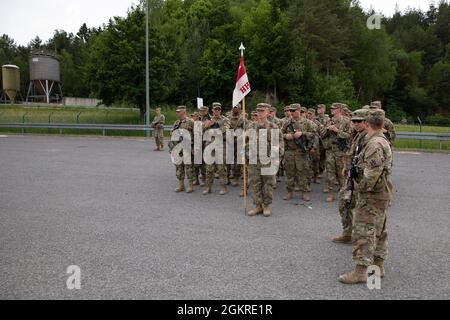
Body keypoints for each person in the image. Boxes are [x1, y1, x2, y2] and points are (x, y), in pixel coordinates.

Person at [339, 109, 393, 284]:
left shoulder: (374, 144)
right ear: (382, 124)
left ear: (368, 123)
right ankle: (378, 268)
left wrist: (358, 188)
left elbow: (371, 176)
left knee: (364, 231)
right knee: (379, 230)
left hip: (372, 195)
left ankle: (362, 271)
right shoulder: (380, 140)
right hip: (381, 193)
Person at [332, 109, 369, 244]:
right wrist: (346, 167)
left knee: (362, 209)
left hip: (362, 180)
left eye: (359, 121)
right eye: (354, 121)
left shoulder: (368, 137)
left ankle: (362, 238)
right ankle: (347, 233)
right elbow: (352, 153)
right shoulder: (358, 135)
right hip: (351, 177)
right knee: (344, 203)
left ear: (366, 122)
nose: (355, 124)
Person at [247, 103, 284, 217]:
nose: (259, 113)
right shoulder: (251, 126)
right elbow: (246, 142)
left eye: (262, 111)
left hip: (268, 160)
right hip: (254, 160)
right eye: (258, 111)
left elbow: (280, 144)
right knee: (254, 183)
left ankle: (266, 205)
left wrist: (276, 158)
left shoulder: (273, 127)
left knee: (268, 184)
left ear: (268, 112)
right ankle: (258, 205)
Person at [281, 104, 315, 201]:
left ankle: (304, 192)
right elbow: (279, 134)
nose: (292, 112)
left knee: (303, 173)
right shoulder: (287, 123)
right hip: (289, 152)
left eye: (294, 110)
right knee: (289, 174)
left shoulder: (307, 122)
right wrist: (286, 136)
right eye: (290, 111)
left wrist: (302, 134)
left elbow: (314, 134)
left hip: (301, 152)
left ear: (299, 110)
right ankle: (289, 192)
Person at [321, 103, 352, 202]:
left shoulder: (347, 121)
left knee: (342, 173)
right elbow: (321, 134)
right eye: (331, 108)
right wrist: (327, 129)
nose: (332, 110)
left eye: (334, 108)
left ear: (339, 109)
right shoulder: (329, 121)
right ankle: (330, 193)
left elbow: (349, 136)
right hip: (330, 151)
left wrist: (337, 130)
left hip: (341, 151)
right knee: (330, 172)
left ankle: (343, 192)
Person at [203, 103, 230, 195]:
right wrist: (206, 126)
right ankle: (208, 187)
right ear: (212, 110)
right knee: (209, 168)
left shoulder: (225, 119)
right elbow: (202, 130)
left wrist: (215, 125)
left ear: (220, 111)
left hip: (220, 146)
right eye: (215, 109)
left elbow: (225, 128)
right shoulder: (208, 120)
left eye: (218, 109)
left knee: (221, 168)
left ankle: (223, 187)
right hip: (209, 146)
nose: (217, 111)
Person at [169, 106, 195, 193]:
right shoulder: (176, 122)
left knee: (188, 167)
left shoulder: (191, 122)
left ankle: (190, 185)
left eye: (179, 112)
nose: (177, 113)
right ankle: (181, 184)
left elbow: (197, 135)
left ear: (184, 112)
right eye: (177, 111)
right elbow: (172, 133)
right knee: (179, 167)